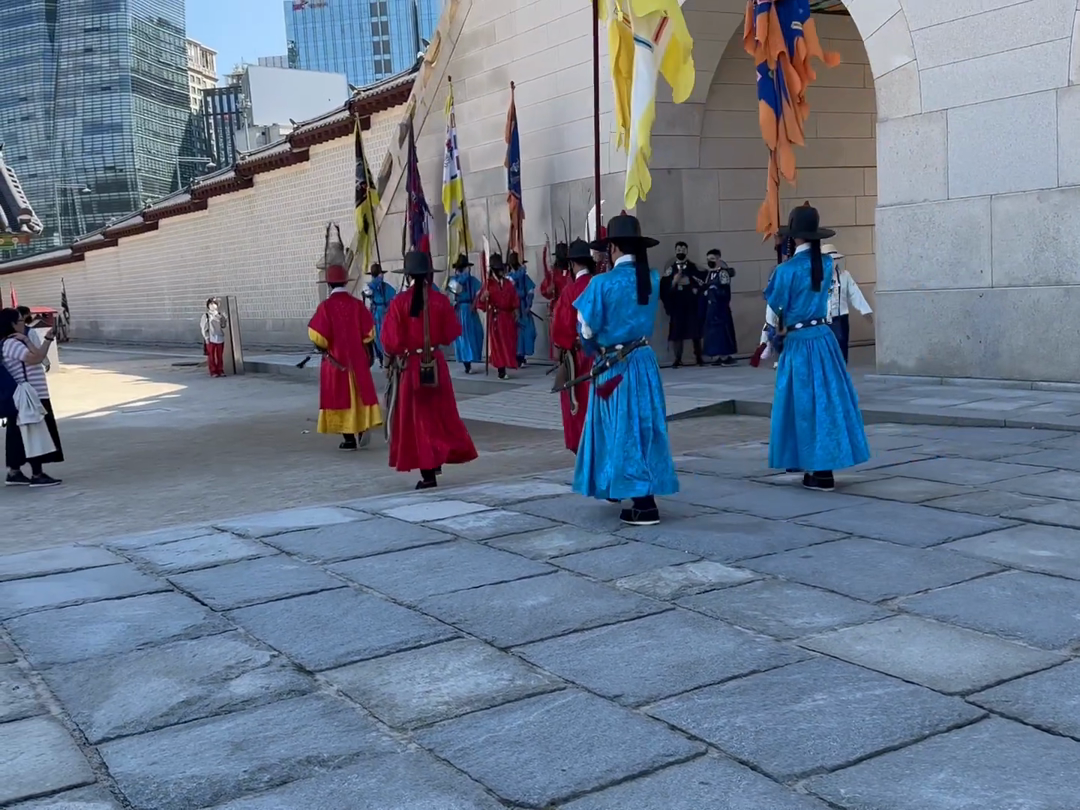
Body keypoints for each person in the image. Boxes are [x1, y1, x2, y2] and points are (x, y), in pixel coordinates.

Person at [573, 214, 679, 525]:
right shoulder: (653, 278)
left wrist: (590, 348)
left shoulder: (601, 283)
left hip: (614, 365)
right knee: (645, 427)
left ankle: (643, 502)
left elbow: (587, 330)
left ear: (614, 247)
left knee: (621, 430)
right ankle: (638, 491)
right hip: (644, 361)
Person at [765, 205, 869, 491]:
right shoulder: (825, 265)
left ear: (794, 235)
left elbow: (776, 303)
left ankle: (812, 465)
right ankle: (824, 468)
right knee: (827, 401)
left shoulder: (785, 270)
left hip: (799, 343)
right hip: (823, 338)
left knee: (802, 404)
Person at [381, 251, 477, 489]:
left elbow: (390, 341)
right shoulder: (440, 300)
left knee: (418, 420)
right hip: (435, 363)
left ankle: (428, 471)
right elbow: (451, 333)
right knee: (438, 416)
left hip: (411, 367)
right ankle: (435, 460)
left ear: (408, 275)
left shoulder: (399, 303)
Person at [307, 260, 382, 451]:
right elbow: (369, 333)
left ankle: (348, 439)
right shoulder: (357, 305)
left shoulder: (325, 307)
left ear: (329, 284)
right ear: (345, 282)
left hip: (336, 360)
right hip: (357, 358)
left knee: (340, 395)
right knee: (360, 394)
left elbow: (318, 336)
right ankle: (362, 426)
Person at [2, 308, 62, 487]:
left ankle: (14, 472)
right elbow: (36, 358)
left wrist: (44, 340)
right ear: (12, 324)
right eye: (21, 321)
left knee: (19, 435)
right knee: (36, 433)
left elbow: (38, 356)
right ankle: (37, 474)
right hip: (30, 396)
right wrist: (40, 340)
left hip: (26, 396)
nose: (24, 324)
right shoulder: (13, 343)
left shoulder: (13, 342)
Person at [551, 238, 596, 454]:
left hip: (578, 357)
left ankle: (582, 446)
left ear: (573, 265)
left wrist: (564, 345)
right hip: (602, 353)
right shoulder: (600, 283)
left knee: (579, 401)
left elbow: (559, 329)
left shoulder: (569, 292)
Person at [822, 243, 873, 364]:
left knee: (841, 343)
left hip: (840, 317)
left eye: (835, 260)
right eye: (830, 260)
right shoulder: (816, 278)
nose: (833, 263)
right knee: (825, 348)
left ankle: (841, 369)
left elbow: (855, 293)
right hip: (822, 319)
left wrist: (865, 310)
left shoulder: (844, 276)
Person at [660, 240, 705, 367]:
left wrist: (694, 287)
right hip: (677, 304)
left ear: (687, 251)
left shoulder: (693, 267)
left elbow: (702, 280)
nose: (680, 252)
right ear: (675, 252)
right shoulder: (671, 269)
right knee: (676, 332)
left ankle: (699, 356)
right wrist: (674, 282)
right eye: (678, 250)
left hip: (691, 303)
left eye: (683, 249)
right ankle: (677, 358)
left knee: (695, 331)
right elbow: (664, 287)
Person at [476, 252, 520, 380]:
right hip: (496, 317)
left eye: (503, 269)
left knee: (509, 342)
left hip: (507, 317)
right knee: (498, 344)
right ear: (494, 270)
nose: (502, 271)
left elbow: (514, 298)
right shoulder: (488, 284)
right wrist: (484, 298)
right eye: (499, 269)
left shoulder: (507, 283)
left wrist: (515, 309)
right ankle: (501, 369)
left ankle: (509, 363)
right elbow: (480, 304)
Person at [448, 254, 485, 374]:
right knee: (463, 336)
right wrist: (464, 277)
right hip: (461, 310)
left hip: (471, 309)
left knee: (477, 333)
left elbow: (480, 292)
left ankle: (473, 357)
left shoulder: (472, 280)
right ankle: (466, 363)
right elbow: (456, 290)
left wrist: (476, 302)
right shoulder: (453, 280)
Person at [701, 249, 738, 366]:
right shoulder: (709, 274)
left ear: (718, 259)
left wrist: (714, 291)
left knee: (723, 331)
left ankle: (725, 355)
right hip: (711, 307)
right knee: (713, 333)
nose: (710, 262)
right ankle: (716, 355)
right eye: (708, 260)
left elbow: (726, 291)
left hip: (721, 308)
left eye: (712, 259)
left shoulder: (723, 274)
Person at [540, 241, 573, 356]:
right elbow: (545, 291)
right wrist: (549, 289)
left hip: (571, 307)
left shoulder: (572, 272)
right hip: (558, 307)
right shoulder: (553, 273)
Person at [362, 263, 396, 367]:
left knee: (384, 334)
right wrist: (376, 282)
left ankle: (387, 357)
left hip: (384, 312)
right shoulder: (371, 286)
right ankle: (382, 358)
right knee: (377, 336)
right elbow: (366, 292)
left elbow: (394, 295)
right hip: (376, 313)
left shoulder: (386, 287)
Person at [508, 251, 537, 366]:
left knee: (529, 331)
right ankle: (516, 356)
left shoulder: (525, 277)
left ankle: (522, 355)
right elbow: (510, 286)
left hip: (524, 306)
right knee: (516, 332)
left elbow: (530, 290)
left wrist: (529, 304)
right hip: (513, 308)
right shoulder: (508, 277)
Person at [199, 298, 227, 378]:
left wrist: (224, 319)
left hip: (220, 337)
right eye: (210, 304)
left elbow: (223, 326)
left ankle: (220, 370)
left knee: (219, 356)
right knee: (211, 356)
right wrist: (206, 337)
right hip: (211, 338)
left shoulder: (220, 315)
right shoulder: (206, 316)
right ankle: (213, 371)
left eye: (214, 303)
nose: (212, 305)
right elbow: (204, 327)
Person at [16, 307, 50, 372]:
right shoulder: (30, 331)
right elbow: (38, 347)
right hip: (30, 365)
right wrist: (46, 362)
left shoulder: (8, 332)